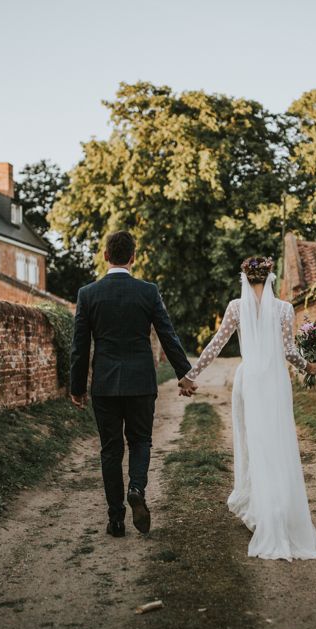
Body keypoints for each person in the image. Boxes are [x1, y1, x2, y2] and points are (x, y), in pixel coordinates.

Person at [184, 257, 316, 560]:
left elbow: (216, 344)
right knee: (277, 444)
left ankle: (262, 511)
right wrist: (310, 367)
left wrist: (191, 374)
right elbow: (290, 352)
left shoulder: (236, 308)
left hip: (249, 382)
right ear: (270, 276)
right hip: (276, 382)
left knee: (254, 445)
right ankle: (278, 510)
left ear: (245, 276)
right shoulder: (284, 309)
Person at [69, 230, 197, 538]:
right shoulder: (148, 291)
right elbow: (168, 335)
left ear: (105, 256)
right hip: (140, 382)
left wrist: (76, 387)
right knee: (140, 441)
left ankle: (116, 520)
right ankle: (136, 487)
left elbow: (79, 346)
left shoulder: (88, 294)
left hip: (105, 385)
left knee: (111, 450)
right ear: (133, 257)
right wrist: (184, 374)